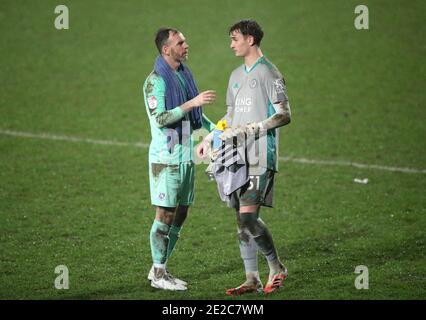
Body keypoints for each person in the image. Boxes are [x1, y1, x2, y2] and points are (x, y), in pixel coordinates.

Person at [197, 20, 292, 295]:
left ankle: (276, 266)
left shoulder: (270, 74)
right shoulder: (235, 75)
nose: (231, 44)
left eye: (235, 39)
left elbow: (285, 114)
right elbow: (231, 115)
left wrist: (255, 128)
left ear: (250, 40)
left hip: (261, 156)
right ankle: (252, 278)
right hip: (235, 157)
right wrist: (209, 136)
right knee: (241, 219)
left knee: (249, 217)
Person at [143, 27, 216, 291]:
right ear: (166, 49)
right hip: (166, 159)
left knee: (181, 212)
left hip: (186, 157)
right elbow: (161, 118)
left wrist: (214, 129)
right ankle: (160, 274)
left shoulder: (184, 75)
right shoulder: (155, 82)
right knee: (164, 214)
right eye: (180, 42)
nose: (186, 45)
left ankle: (157, 267)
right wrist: (191, 103)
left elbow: (194, 117)